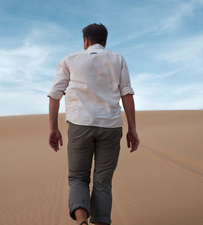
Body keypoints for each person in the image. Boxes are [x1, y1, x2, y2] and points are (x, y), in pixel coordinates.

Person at [47, 23, 140, 225]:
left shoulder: (70, 60)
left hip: (80, 124)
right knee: (103, 181)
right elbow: (127, 93)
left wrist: (53, 128)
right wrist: (132, 129)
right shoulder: (118, 59)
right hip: (111, 126)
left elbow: (55, 96)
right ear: (105, 42)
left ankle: (81, 222)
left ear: (85, 41)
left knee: (78, 177)